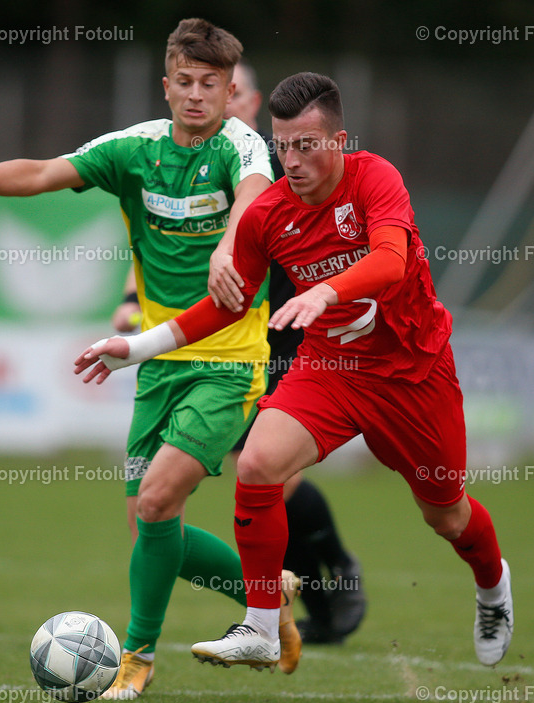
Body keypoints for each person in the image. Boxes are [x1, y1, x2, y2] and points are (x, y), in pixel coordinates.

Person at [0, 18, 302, 699]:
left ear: (229, 89)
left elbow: (251, 196)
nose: (195, 96)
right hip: (157, 364)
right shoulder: (133, 149)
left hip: (230, 360)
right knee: (147, 523)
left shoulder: (243, 146)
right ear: (166, 85)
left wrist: (227, 246)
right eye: (184, 82)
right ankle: (268, 595)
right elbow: (42, 171)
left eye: (210, 85)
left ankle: (137, 659)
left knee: (156, 502)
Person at [75, 71, 514, 669]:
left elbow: (390, 259)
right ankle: (259, 625)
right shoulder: (267, 214)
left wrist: (326, 293)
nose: (294, 160)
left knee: (446, 513)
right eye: (284, 146)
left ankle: (492, 586)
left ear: (339, 141)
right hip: (330, 368)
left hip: (413, 374)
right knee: (258, 463)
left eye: (308, 145)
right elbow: (226, 306)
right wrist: (139, 347)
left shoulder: (374, 179)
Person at [221, 60, 367, 645]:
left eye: (226, 89)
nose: (210, 99)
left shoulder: (271, 160)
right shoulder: (185, 158)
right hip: (231, 337)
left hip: (289, 334)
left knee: (267, 475)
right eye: (197, 84)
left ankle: (331, 574)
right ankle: (317, 588)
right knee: (254, 471)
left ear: (252, 103)